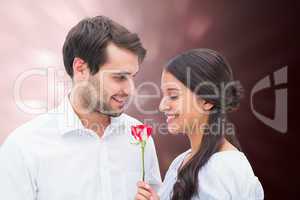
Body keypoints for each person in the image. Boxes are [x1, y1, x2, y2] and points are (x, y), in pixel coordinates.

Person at [0, 16, 161, 200]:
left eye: (133, 76)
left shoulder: (140, 137)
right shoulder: (24, 147)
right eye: (119, 77)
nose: (130, 90)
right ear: (81, 69)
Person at [135, 49, 264, 200]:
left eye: (173, 95)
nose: (162, 106)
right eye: (164, 95)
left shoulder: (224, 167)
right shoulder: (180, 162)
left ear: (207, 100)